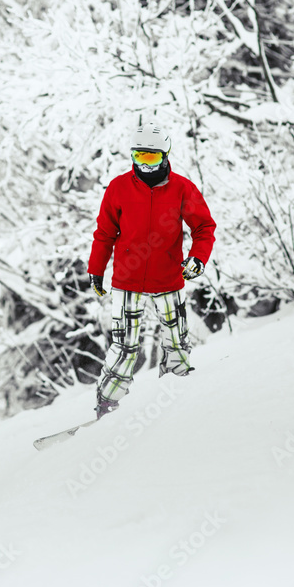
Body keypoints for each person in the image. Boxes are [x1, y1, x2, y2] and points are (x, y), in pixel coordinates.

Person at [87, 122, 216, 419]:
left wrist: (198, 257)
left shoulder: (182, 188)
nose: (144, 165)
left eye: (151, 158)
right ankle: (106, 406)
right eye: (138, 157)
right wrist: (96, 269)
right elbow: (104, 233)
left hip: (168, 279)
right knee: (125, 348)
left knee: (176, 343)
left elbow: (204, 227)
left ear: (165, 154)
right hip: (126, 282)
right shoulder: (119, 187)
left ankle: (176, 398)